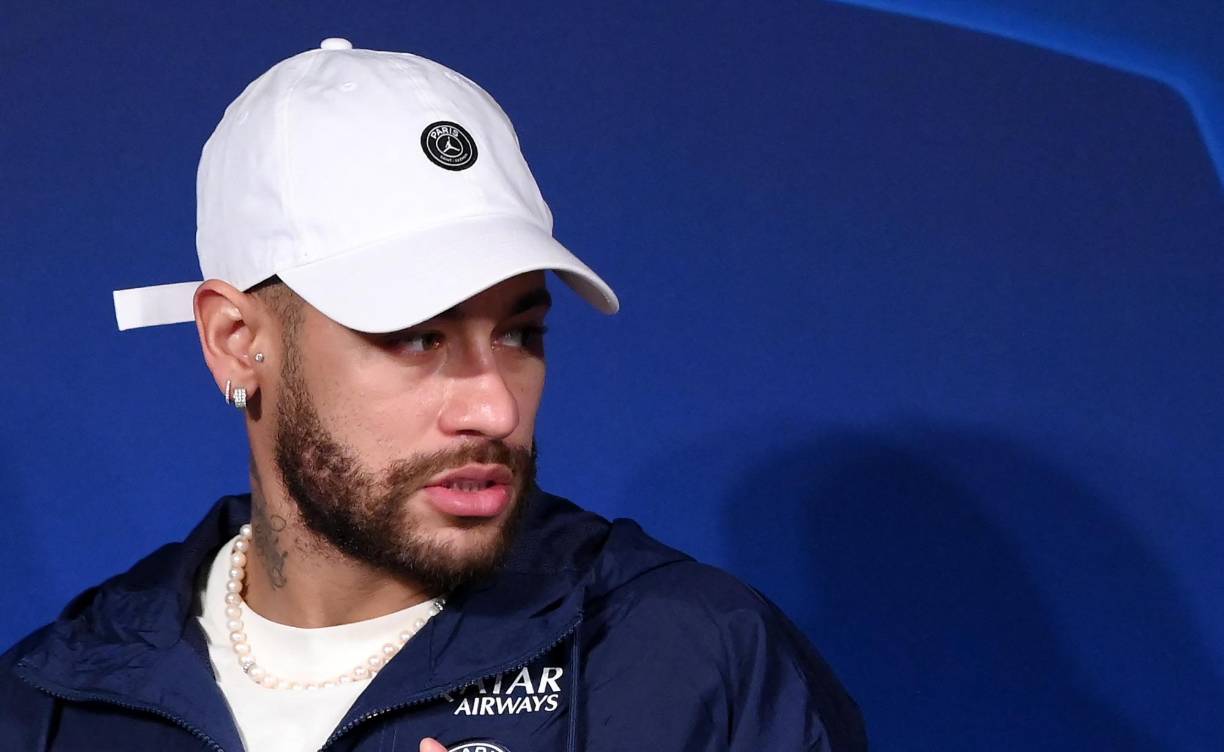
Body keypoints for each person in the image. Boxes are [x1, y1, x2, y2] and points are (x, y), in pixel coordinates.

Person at [0, 38, 867, 752]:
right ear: (236, 341)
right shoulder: (54, 702)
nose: (495, 410)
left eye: (520, 334)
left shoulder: (693, 660)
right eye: (417, 337)